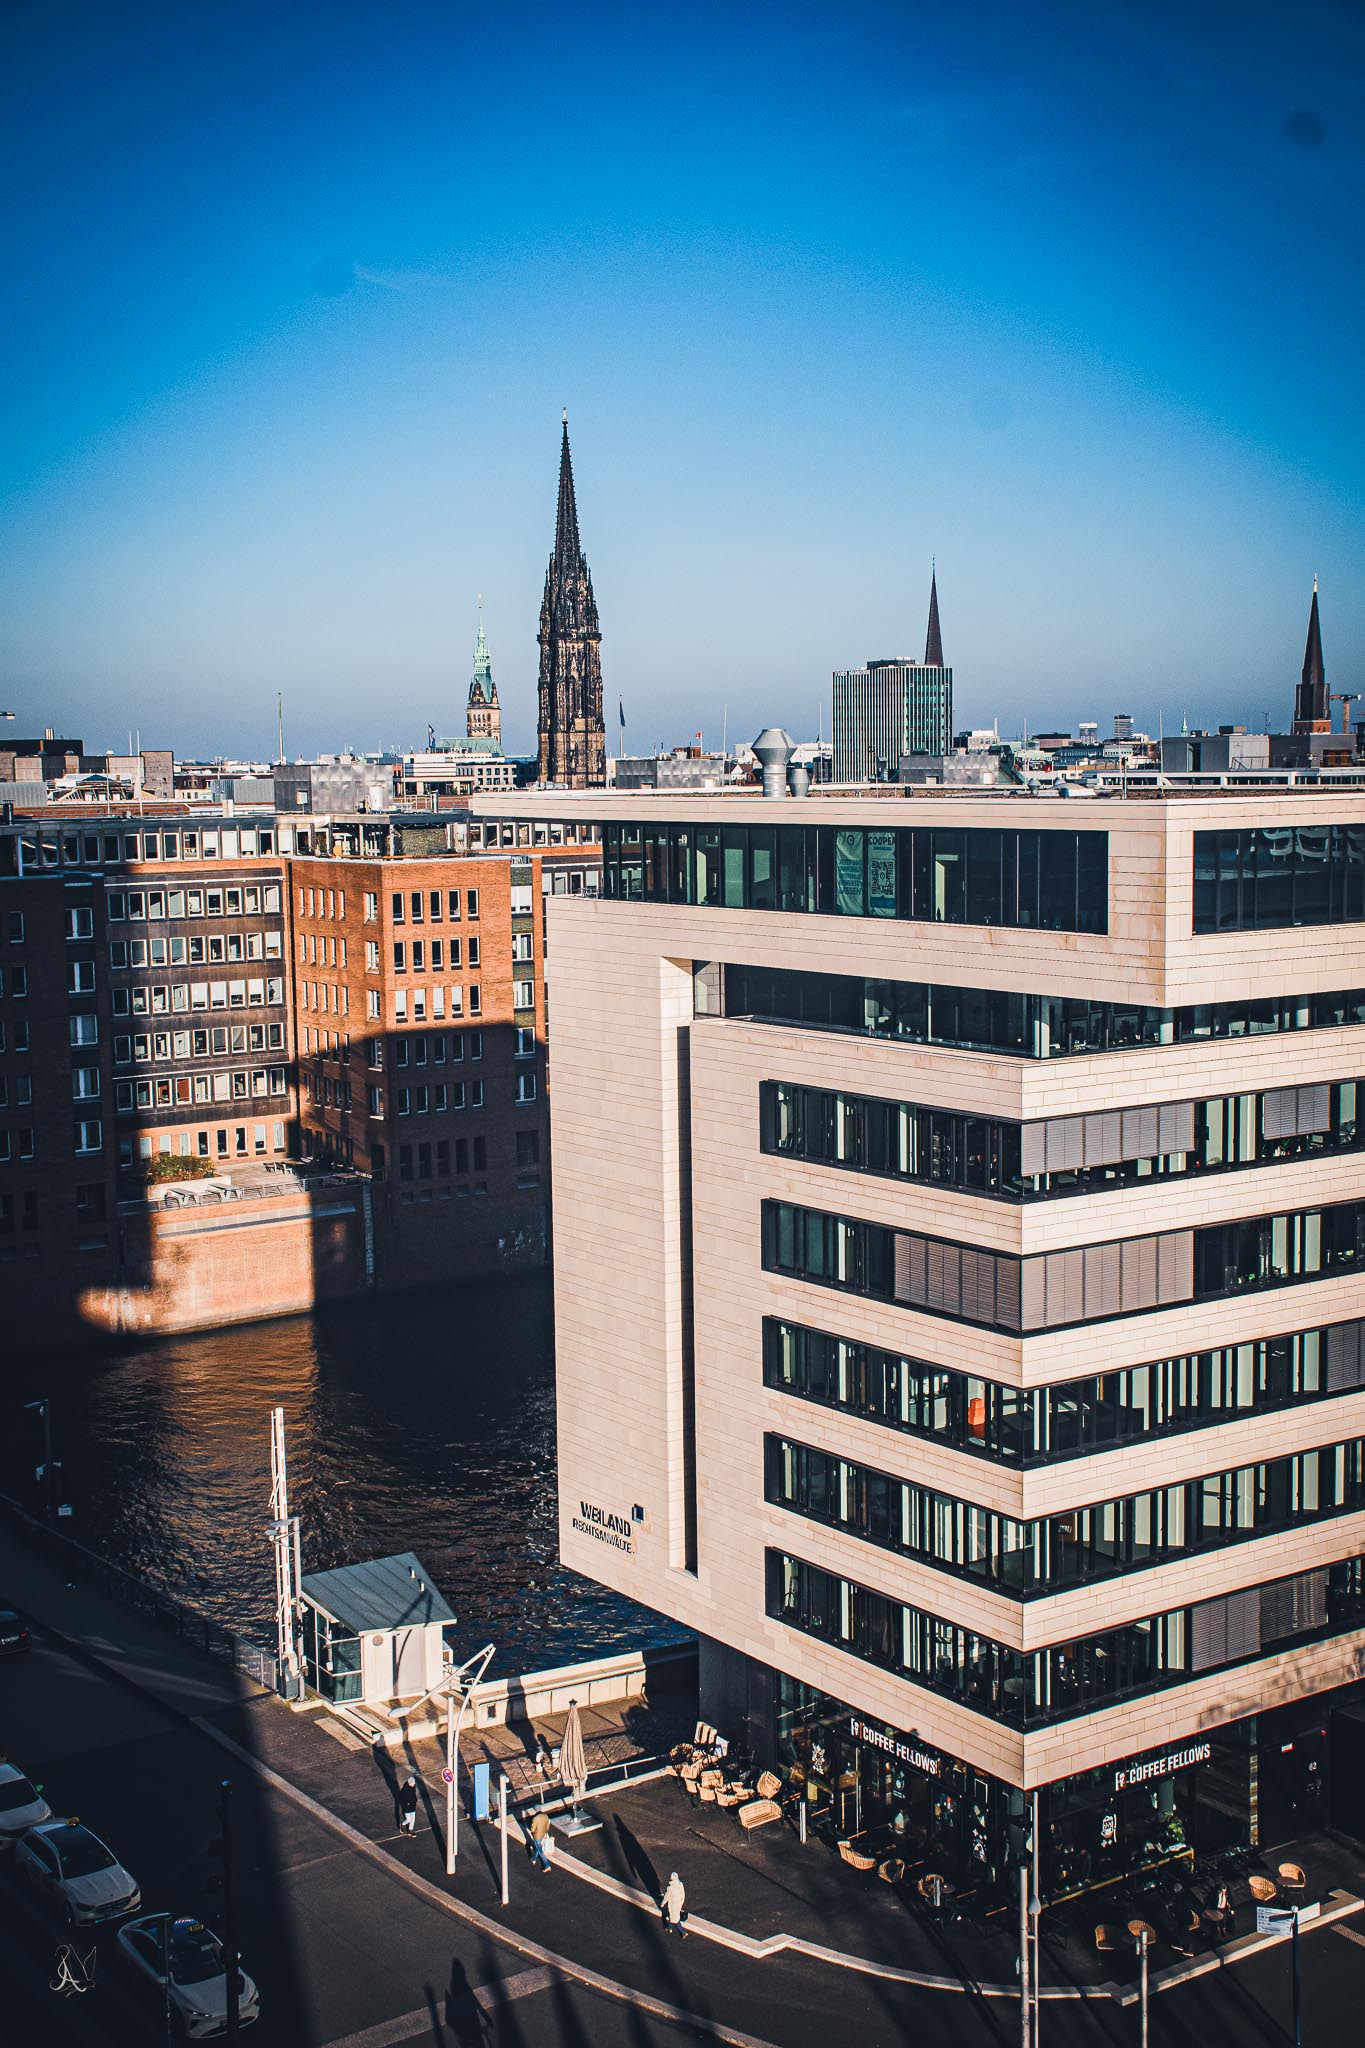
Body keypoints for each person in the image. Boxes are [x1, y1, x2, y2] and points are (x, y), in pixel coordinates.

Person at [660, 1870, 688, 1938]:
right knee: (674, 1918)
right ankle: (669, 1928)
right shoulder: (680, 1884)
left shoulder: (670, 1888)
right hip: (678, 1904)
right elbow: (683, 1894)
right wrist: (681, 1903)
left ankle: (683, 1932)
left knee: (674, 1920)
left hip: (673, 1906)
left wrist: (663, 1903)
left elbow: (666, 1897)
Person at [527, 1808, 553, 1874]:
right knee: (538, 1847)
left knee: (540, 1850)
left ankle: (547, 1865)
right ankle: (534, 1859)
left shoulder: (535, 1818)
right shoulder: (545, 1816)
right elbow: (547, 1827)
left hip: (537, 1836)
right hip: (543, 1834)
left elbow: (532, 1829)